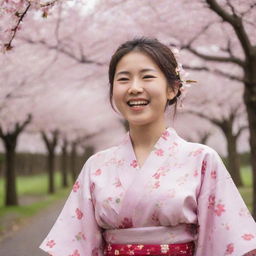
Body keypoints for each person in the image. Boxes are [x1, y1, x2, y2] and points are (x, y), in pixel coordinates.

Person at [39, 38, 256, 256]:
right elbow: (74, 245)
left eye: (147, 77)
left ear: (173, 88)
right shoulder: (96, 166)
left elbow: (228, 240)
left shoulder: (201, 159)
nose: (134, 88)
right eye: (123, 79)